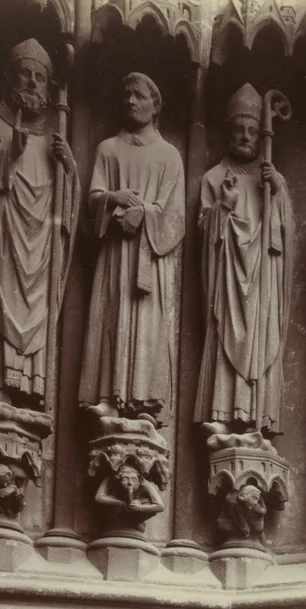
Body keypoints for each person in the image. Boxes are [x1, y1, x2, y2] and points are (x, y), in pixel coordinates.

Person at [0, 39, 79, 425]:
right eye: (25, 74)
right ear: (9, 77)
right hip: (1, 236)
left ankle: (28, 390)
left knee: (35, 308)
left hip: (40, 248)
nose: (32, 82)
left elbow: (66, 209)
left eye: (40, 78)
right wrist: (7, 152)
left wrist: (69, 170)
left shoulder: (54, 142)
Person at [78, 73, 185, 431]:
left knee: (147, 323)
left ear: (156, 105)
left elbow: (175, 216)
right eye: (126, 95)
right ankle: (108, 397)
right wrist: (114, 200)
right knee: (112, 315)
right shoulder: (108, 149)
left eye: (139, 95)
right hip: (116, 255)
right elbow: (92, 201)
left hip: (150, 259)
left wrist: (145, 215)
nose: (131, 101)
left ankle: (145, 403)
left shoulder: (169, 156)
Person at [195, 84, 294, 437]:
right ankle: (221, 412)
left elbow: (287, 240)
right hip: (227, 281)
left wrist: (278, 194)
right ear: (228, 132)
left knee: (260, 339)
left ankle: (258, 417)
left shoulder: (273, 183)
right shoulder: (213, 178)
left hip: (263, 279)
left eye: (253, 130)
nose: (246, 137)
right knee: (225, 334)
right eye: (239, 129)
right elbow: (203, 234)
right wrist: (224, 206)